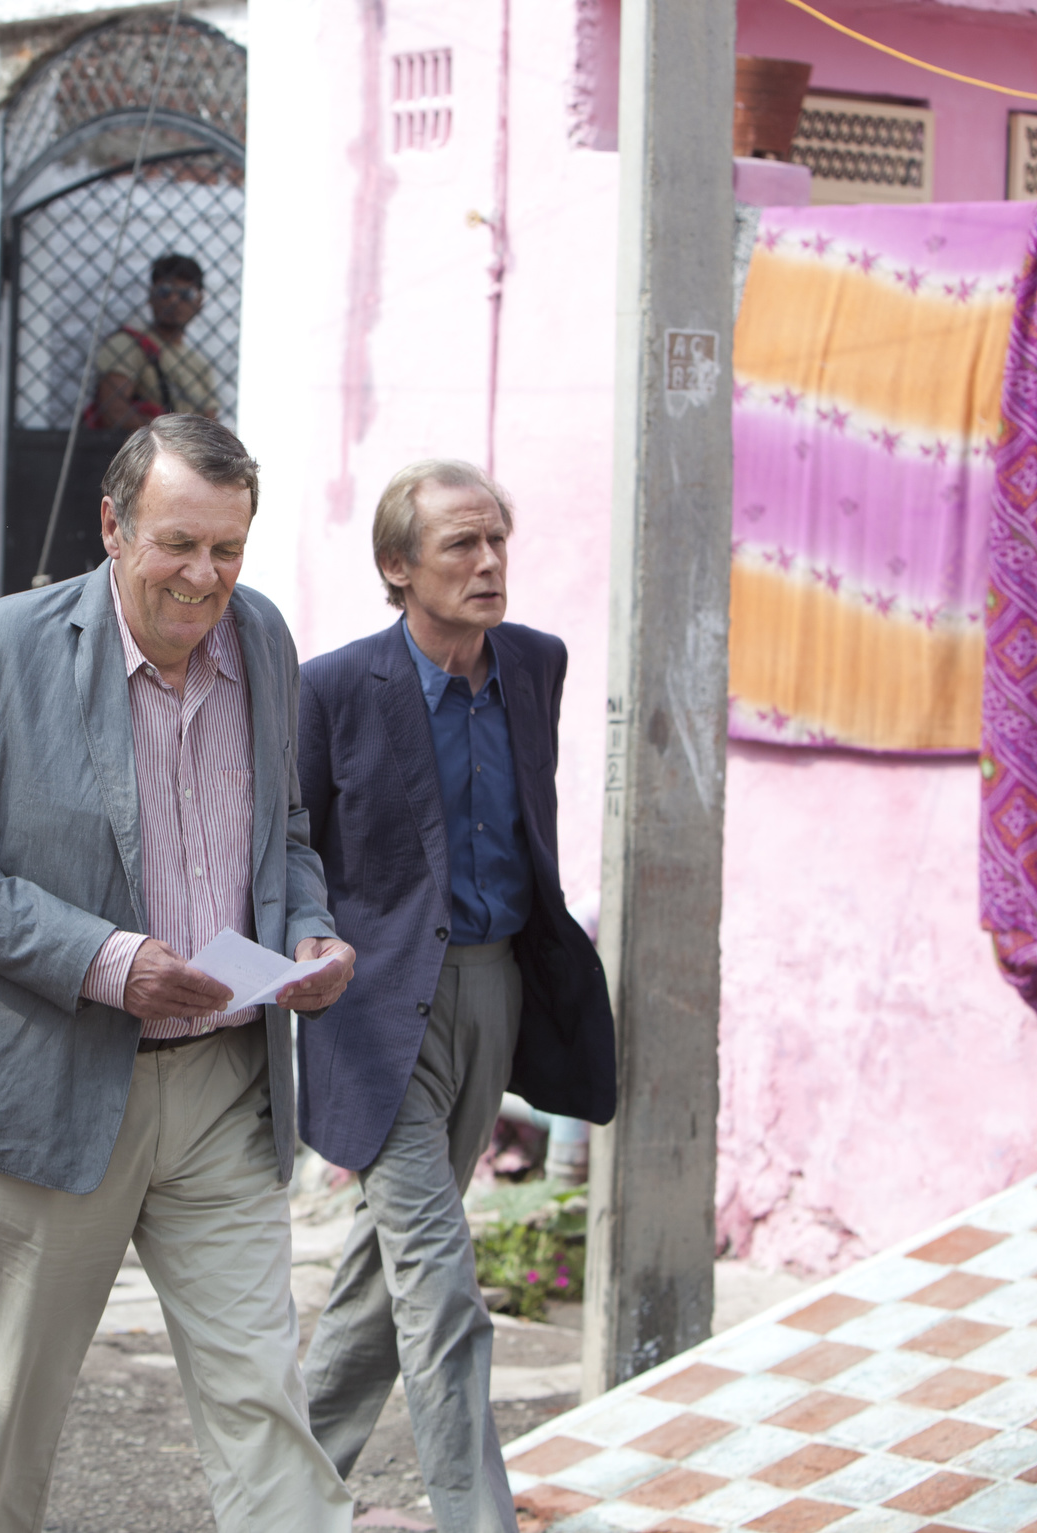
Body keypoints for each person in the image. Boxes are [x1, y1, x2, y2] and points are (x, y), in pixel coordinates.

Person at [0, 414, 359, 1533]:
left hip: (226, 1087)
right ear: (111, 526)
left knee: (262, 1405)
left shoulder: (266, 642)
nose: (204, 578)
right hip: (54, 1087)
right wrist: (104, 960)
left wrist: (307, 935)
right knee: (7, 1431)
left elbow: (281, 830)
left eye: (227, 551)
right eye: (177, 545)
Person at [294, 461, 617, 1533]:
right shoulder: (334, 689)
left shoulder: (533, 664)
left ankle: (286, 1495)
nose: (486, 566)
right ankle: (475, 1518)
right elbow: (288, 844)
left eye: (496, 544)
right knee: (435, 1279)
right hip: (374, 1010)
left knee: (377, 1283)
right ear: (397, 567)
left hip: (494, 989)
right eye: (458, 548)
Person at [88, 254, 221, 431]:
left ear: (199, 302)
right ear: (151, 296)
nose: (174, 300)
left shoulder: (200, 366)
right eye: (165, 291)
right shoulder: (127, 345)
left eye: (186, 294)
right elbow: (114, 413)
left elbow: (212, 427)